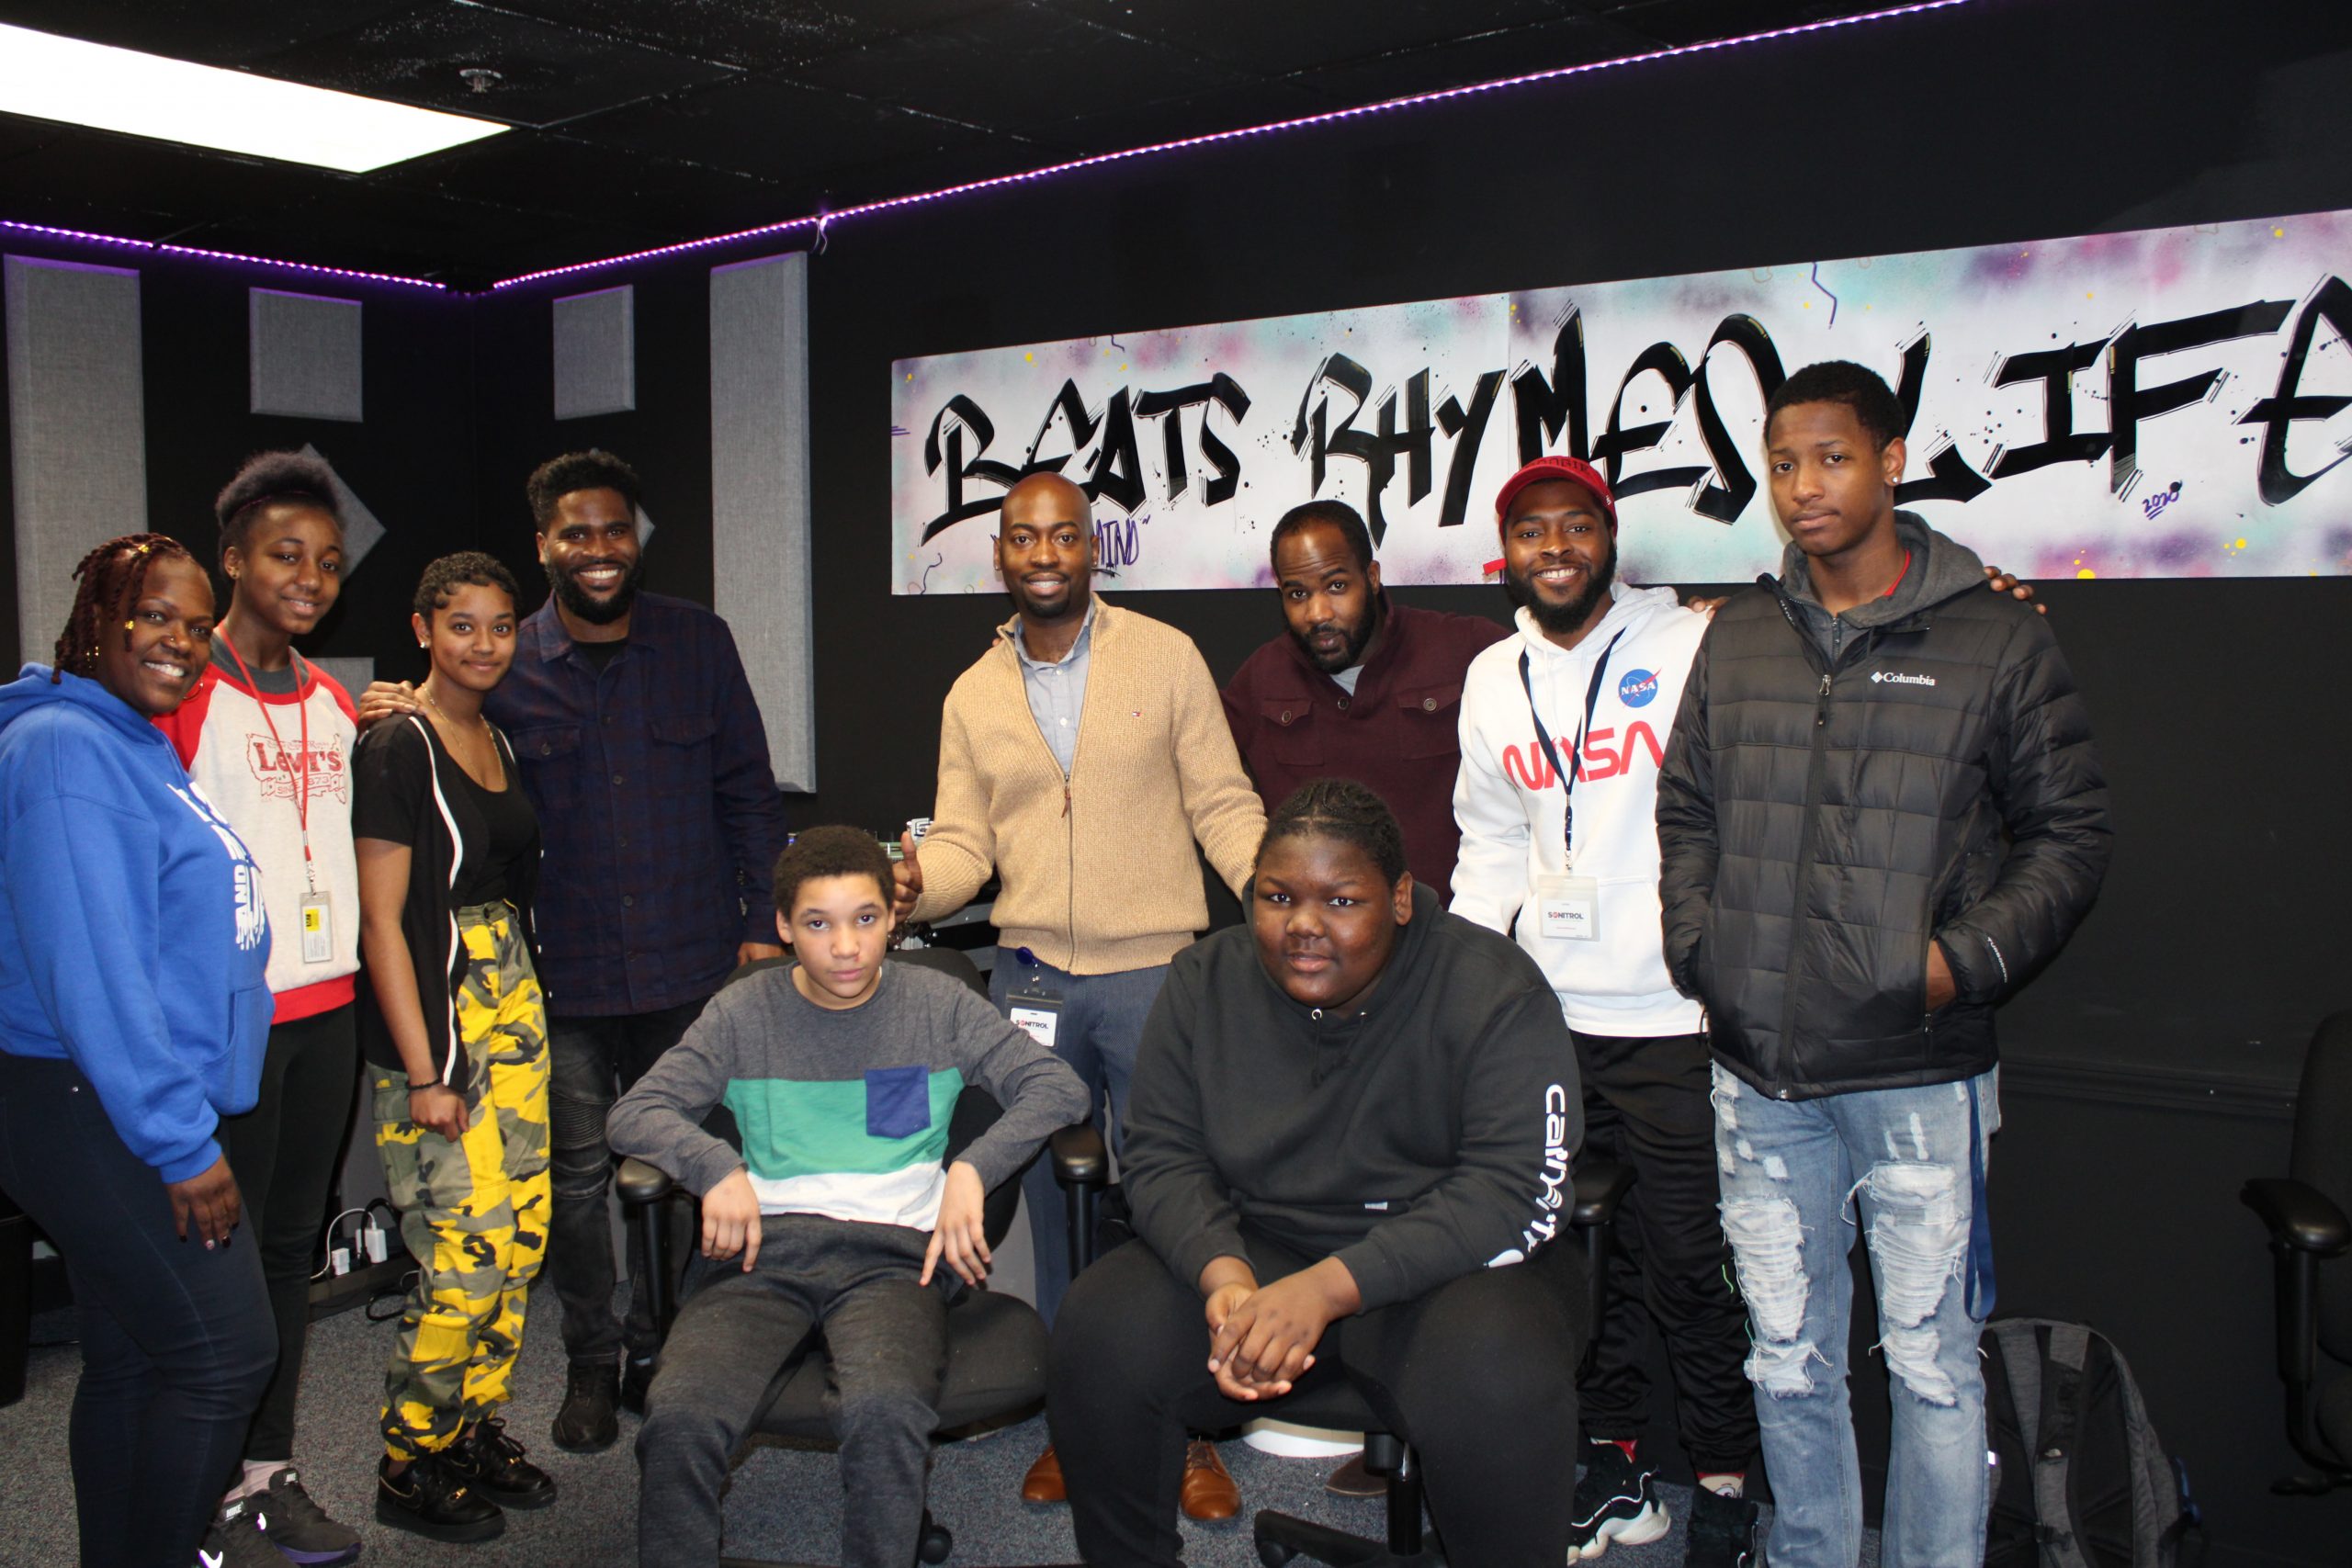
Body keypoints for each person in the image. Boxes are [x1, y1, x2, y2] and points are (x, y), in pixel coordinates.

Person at [1657, 361, 2111, 1568]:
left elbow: (2070, 835)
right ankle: (1809, 1552)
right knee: (1785, 1353)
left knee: (1931, 1361)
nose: (1803, 486)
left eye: (1832, 457)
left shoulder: (1993, 635)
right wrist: (1703, 946)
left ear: (1891, 460)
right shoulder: (1740, 633)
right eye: (1783, 463)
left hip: (1918, 1071)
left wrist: (1954, 966)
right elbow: (1688, 806)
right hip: (1758, 1072)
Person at [360, 449, 791, 1452]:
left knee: (695, 1163)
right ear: (544, 545)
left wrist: (760, 926)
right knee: (576, 1182)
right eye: (575, 532)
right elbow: (446, 737)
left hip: (693, 968)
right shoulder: (507, 660)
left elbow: (749, 790)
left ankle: (678, 1347)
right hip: (565, 980)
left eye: (614, 529)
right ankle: (594, 1360)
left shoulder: (699, 641)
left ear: (636, 538)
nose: (598, 548)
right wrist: (394, 705)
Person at [1048, 779, 1588, 1568]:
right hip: (1261, 1246)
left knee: (1496, 1371)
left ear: (1398, 899)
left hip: (1447, 1271)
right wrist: (1222, 1274)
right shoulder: (1204, 980)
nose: (1303, 924)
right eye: (1278, 897)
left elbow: (1513, 1188)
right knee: (1101, 1328)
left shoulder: (1492, 987)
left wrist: (1328, 1289)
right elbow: (1162, 1153)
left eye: (1341, 900)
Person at [891, 470, 1264, 1512]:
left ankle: (1190, 1430)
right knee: (1057, 1206)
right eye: (1024, 538)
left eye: (1063, 536)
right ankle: (1077, 1417)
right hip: (1033, 982)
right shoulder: (972, 693)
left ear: (1091, 547)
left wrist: (1274, 896)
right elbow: (963, 842)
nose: (1044, 554)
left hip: (1156, 975)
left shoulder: (1166, 655)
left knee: (1174, 1196)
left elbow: (1223, 801)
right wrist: (916, 888)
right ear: (999, 556)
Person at [610, 826, 1088, 1568]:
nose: (845, 946)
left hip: (894, 1259)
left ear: (892, 917)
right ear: (783, 926)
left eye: (865, 918)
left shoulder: (938, 1004)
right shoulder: (742, 1012)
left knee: (885, 1412)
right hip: (762, 1256)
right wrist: (715, 1167)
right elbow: (634, 1112)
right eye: (818, 923)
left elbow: (1059, 1087)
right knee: (680, 1415)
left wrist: (971, 1168)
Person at [1452, 455, 1761, 1564]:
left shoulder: (1689, 644)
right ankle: (1616, 1462)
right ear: (1507, 554)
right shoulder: (1493, 678)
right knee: (1582, 1262)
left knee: (1689, 1263)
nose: (1555, 549)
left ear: (1608, 537)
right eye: (1531, 531)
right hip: (1551, 1024)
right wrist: (1465, 985)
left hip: (1676, 1018)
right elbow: (1490, 841)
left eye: (1574, 525)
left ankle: (1724, 1481)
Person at [0, 535, 276, 1568]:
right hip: (95, 1105)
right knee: (226, 1357)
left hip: (120, 1100)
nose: (182, 642)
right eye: (156, 615)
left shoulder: (129, 739)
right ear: (98, 618)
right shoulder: (63, 749)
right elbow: (93, 973)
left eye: (198, 626)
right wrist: (177, 1140)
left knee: (134, 1363)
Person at [154, 451, 366, 1564]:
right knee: (218, 1269)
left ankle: (264, 1477)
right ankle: (198, 1494)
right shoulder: (184, 698)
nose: (310, 578)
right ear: (232, 559)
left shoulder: (334, 701)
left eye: (328, 561)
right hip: (226, 1023)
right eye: (287, 555)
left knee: (289, 1255)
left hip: (328, 1014)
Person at [354, 552, 555, 1544]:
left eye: (501, 625)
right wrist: (427, 1071)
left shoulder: (494, 733)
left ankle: (469, 1427)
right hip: (441, 1028)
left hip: (514, 1006)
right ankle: (408, 1457)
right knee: (464, 1254)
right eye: (462, 624)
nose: (484, 644)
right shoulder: (399, 743)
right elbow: (384, 923)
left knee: (520, 1241)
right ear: (423, 629)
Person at [1221, 499, 1507, 904]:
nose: (1317, 613)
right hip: (1317, 934)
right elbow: (1209, 794)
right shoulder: (1261, 679)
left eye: (1336, 586)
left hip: (1454, 926)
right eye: (1297, 593)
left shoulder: (1465, 650)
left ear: (1371, 577)